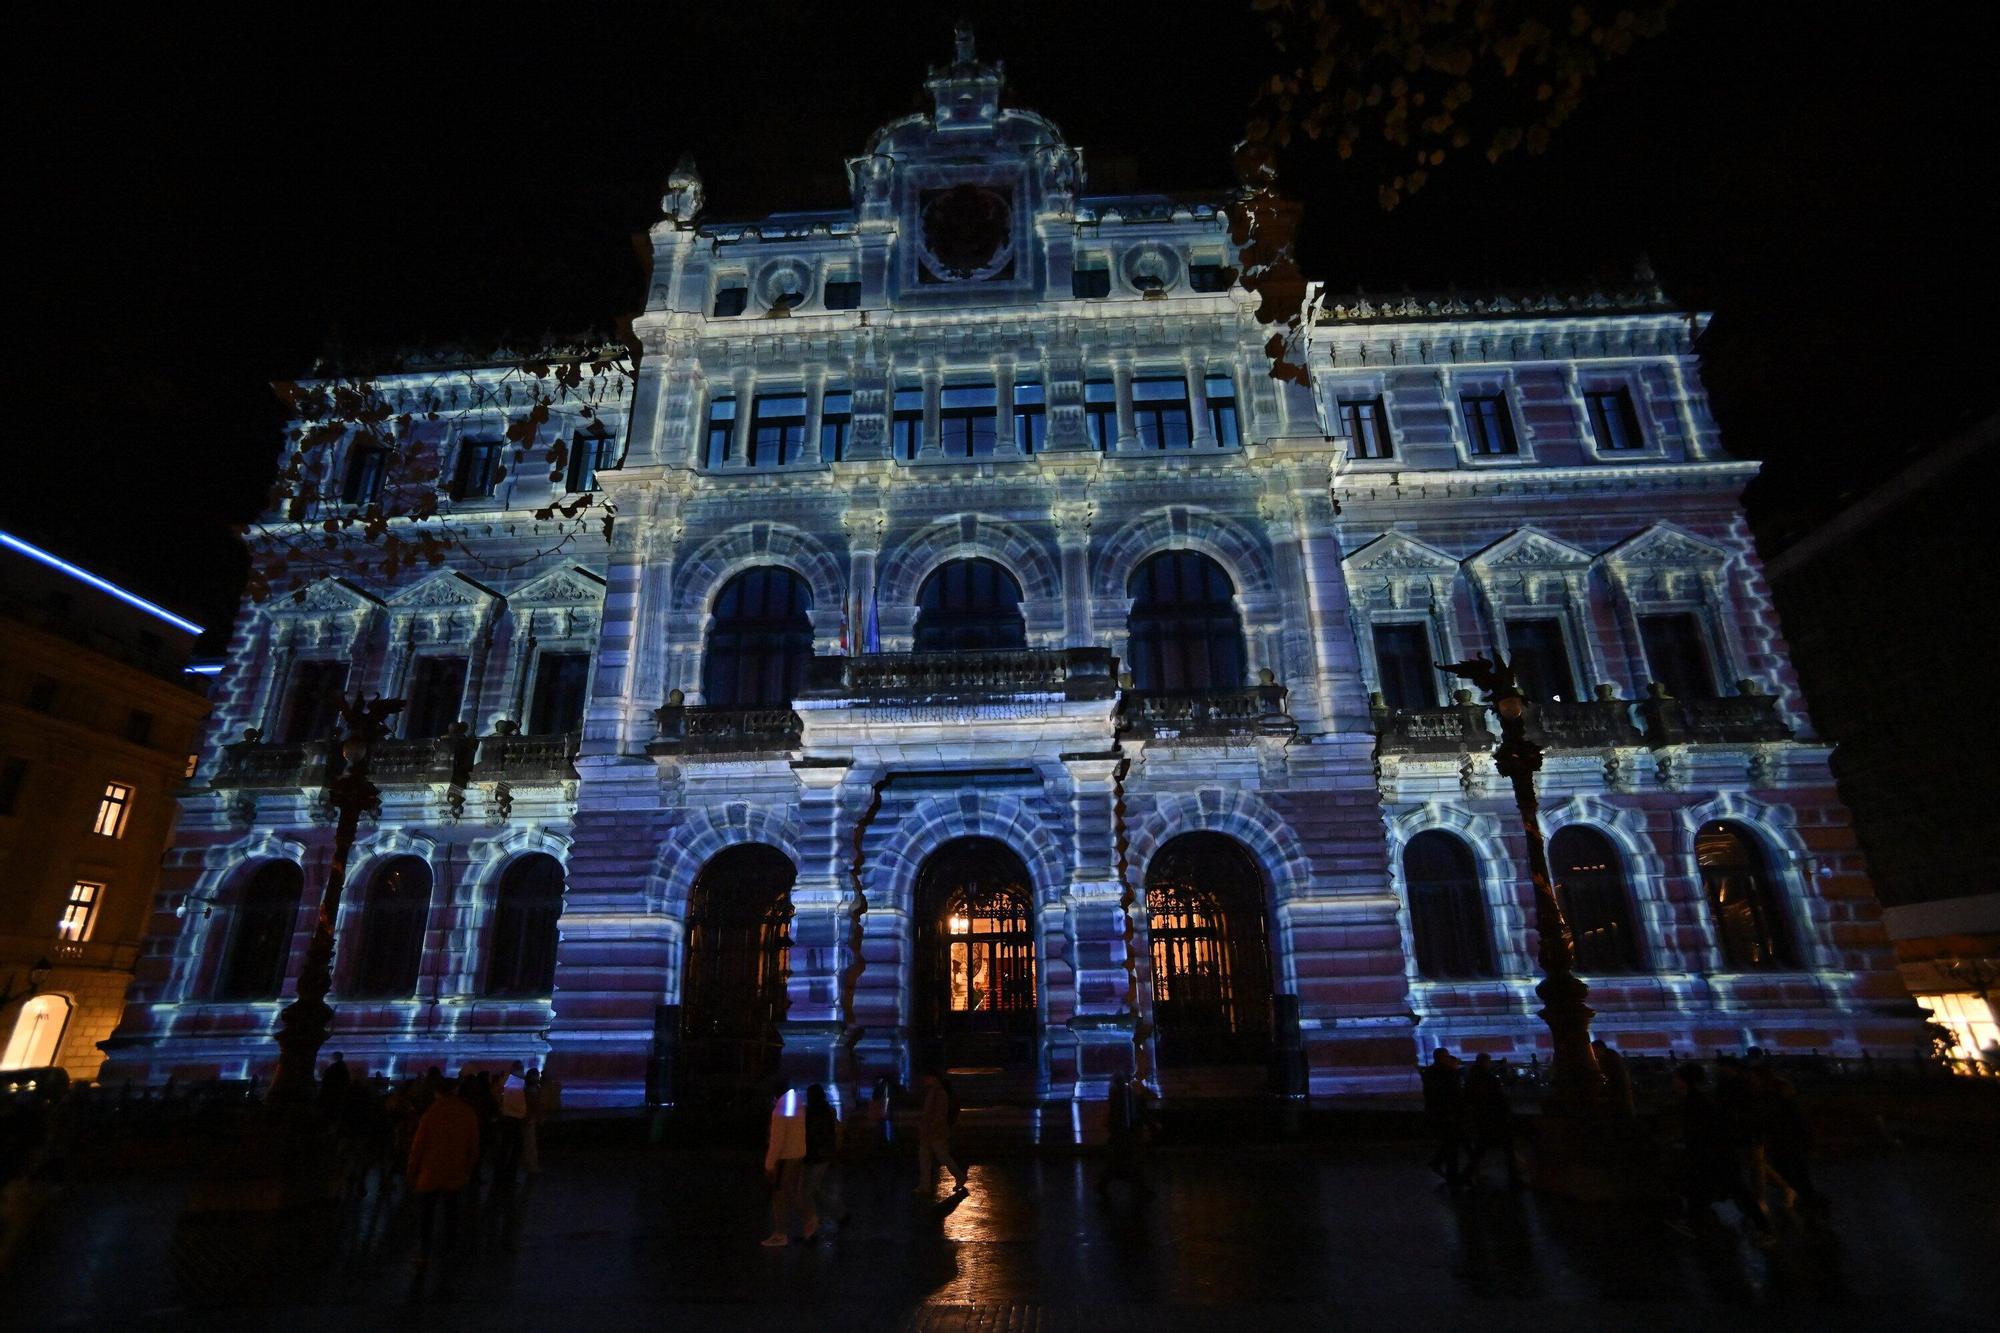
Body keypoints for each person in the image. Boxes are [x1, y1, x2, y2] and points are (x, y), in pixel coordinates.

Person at [1672, 1063, 1772, 1244]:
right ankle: (1763, 1228)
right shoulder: (1700, 1099)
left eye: (1677, 1077)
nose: (1673, 1081)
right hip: (1718, 1154)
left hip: (1713, 1156)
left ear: (1684, 1081)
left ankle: (1764, 1229)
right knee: (1727, 1191)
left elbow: (1699, 1131)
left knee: (1727, 1191)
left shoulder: (1693, 1102)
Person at [407, 1073, 482, 1266]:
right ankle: (449, 1250)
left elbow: (418, 1146)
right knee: (452, 1214)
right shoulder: (468, 1112)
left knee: (426, 1216)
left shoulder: (431, 1113)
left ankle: (423, 1253)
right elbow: (474, 1147)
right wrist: (468, 1170)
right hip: (455, 1172)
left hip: (430, 1173)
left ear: (437, 1093)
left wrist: (412, 1172)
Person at [762, 1086, 813, 1246]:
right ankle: (810, 1219)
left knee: (779, 1196)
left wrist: (769, 1164)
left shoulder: (780, 1109)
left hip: (785, 1157)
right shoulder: (796, 1104)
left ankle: (781, 1233)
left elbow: (777, 1140)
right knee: (789, 1193)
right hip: (797, 1153)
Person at [1462, 1054, 1521, 1189]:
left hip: (1483, 1118)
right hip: (1495, 1117)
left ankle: (1467, 1174)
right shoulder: (1488, 1078)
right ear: (1486, 1062)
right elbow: (1498, 1098)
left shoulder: (1472, 1078)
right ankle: (1514, 1176)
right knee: (1507, 1147)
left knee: (1482, 1148)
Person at [1097, 1072, 1155, 1197]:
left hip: (1122, 1133)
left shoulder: (1120, 1096)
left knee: (1119, 1164)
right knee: (1128, 1163)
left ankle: (1103, 1186)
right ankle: (1140, 1188)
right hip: (1126, 1134)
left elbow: (1114, 1116)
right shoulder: (1129, 1096)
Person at [1420, 1048, 1468, 1191]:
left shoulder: (1428, 1073)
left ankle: (1440, 1164)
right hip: (1449, 1113)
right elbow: (1455, 1094)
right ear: (1443, 1057)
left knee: (1449, 1142)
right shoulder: (1449, 1074)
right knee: (1452, 1145)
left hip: (1436, 1113)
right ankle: (1452, 1177)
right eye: (1447, 1056)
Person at [914, 1068, 966, 1195]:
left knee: (940, 1156)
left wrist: (928, 1125)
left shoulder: (938, 1093)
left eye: (927, 1077)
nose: (924, 1080)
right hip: (931, 1130)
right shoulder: (935, 1091)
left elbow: (938, 1114)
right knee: (927, 1157)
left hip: (935, 1131)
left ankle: (959, 1176)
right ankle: (925, 1185)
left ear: (934, 1078)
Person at [803, 1084, 845, 1234]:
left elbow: (813, 1135)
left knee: (810, 1190)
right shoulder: (827, 1111)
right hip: (824, 1154)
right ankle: (838, 1213)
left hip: (816, 1155)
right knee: (815, 1188)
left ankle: (814, 1223)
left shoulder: (812, 1113)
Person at [493, 1060, 528, 1191]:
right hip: (512, 1117)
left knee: (508, 1147)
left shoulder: (512, 1080)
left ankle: (503, 1175)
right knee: (511, 1148)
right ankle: (507, 1176)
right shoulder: (515, 1081)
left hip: (511, 1117)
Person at [1593, 1038, 1635, 1117]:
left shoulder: (1609, 1058)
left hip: (1619, 1091)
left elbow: (1614, 1076)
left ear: (1600, 1049)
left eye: (1595, 1051)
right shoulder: (1610, 1056)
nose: (1595, 1054)